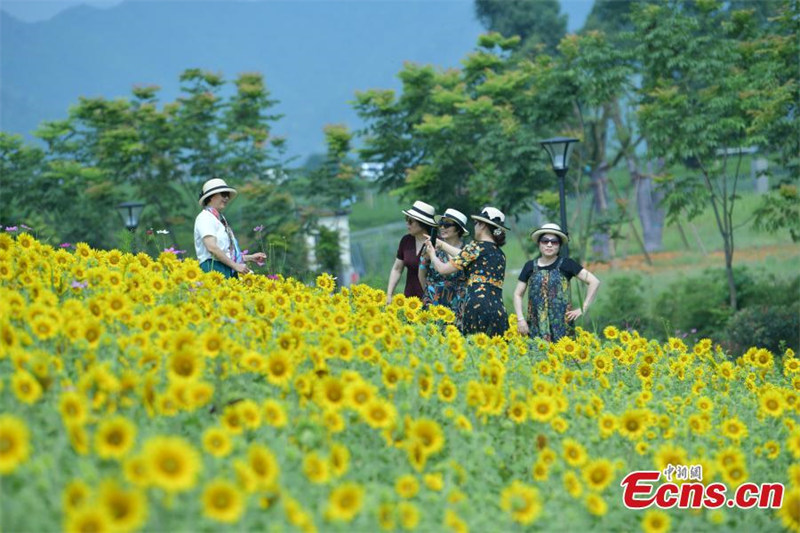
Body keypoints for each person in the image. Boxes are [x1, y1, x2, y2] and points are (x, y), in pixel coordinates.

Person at [426, 206, 509, 337]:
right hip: (498, 309)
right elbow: (465, 256)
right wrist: (440, 244)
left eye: (476, 223)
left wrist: (432, 254)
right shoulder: (500, 254)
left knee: (474, 345)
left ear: (482, 225)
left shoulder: (475, 247)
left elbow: (442, 269)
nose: (474, 227)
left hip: (477, 306)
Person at [513, 222, 601, 342]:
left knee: (563, 353)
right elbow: (518, 294)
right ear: (539, 243)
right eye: (545, 241)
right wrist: (520, 319)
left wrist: (583, 308)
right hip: (536, 326)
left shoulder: (567, 264)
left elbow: (594, 282)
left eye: (554, 242)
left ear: (559, 245)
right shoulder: (529, 266)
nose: (549, 245)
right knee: (537, 352)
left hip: (562, 327)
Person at [194, 178, 266, 278]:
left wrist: (250, 258)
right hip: (212, 268)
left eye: (227, 195)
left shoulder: (220, 219)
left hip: (226, 267)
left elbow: (226, 253)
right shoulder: (205, 217)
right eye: (223, 194)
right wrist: (235, 265)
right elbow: (212, 247)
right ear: (211, 197)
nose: (227, 198)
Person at [419, 208, 469, 326]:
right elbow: (421, 273)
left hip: (458, 304)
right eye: (441, 223)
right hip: (433, 302)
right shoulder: (431, 247)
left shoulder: (467, 250)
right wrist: (429, 292)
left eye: (447, 225)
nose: (442, 227)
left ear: (458, 229)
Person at [386, 201, 437, 304]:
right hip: (409, 302)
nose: (407, 224)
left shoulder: (436, 244)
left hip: (432, 301)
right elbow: (397, 269)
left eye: (410, 221)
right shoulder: (406, 241)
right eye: (406, 219)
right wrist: (389, 295)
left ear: (422, 223)